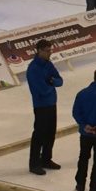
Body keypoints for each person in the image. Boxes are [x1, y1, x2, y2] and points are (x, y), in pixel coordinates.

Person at [25, 40, 63, 175]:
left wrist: (51, 81)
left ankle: (46, 159)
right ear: (39, 51)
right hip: (41, 106)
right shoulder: (33, 69)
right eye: (47, 51)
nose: (49, 53)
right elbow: (41, 90)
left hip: (52, 103)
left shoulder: (49, 64)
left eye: (50, 50)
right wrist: (51, 83)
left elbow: (60, 80)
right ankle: (34, 163)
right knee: (39, 135)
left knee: (50, 133)